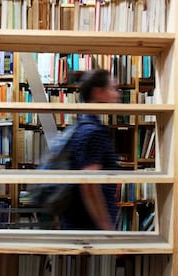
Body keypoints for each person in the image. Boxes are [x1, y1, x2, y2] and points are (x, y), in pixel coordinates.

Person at [60, 69, 121, 230]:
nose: (117, 94)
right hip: (88, 224)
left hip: (80, 219)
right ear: (98, 92)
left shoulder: (83, 124)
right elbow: (89, 186)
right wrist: (107, 228)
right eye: (113, 89)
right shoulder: (94, 131)